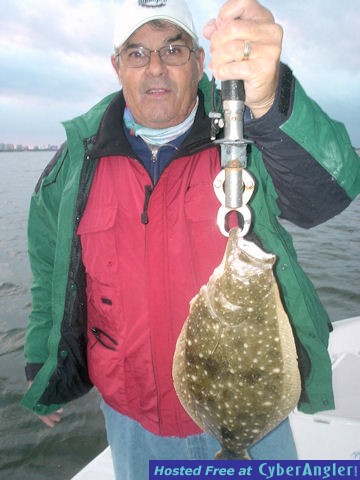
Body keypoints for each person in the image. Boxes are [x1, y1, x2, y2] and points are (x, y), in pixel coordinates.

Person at [22, 0, 359, 477]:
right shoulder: (74, 164)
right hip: (131, 418)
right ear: (116, 66)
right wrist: (41, 359)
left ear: (199, 61)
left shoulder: (248, 138)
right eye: (137, 53)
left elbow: (330, 193)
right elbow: (48, 272)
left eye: (173, 49)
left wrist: (268, 100)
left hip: (255, 420)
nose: (156, 67)